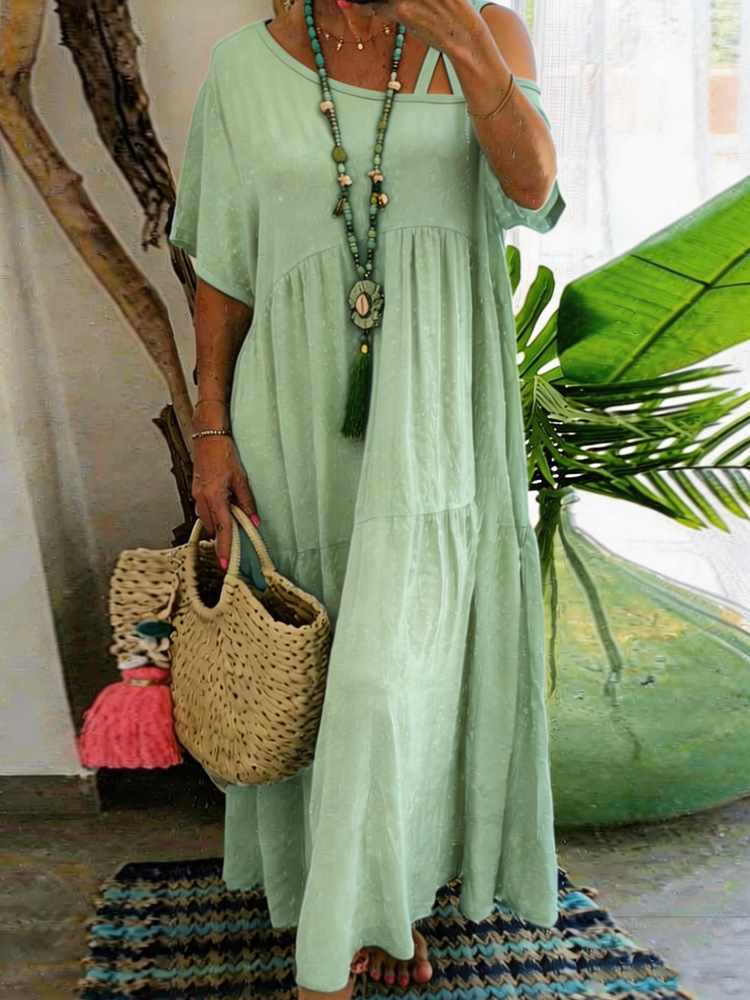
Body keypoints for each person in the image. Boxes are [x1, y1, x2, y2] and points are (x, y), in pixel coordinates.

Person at [169, 0, 564, 996]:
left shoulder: (488, 32)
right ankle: (372, 899)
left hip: (434, 416)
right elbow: (224, 269)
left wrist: (459, 36)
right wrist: (209, 428)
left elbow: (532, 188)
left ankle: (335, 949)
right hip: (290, 413)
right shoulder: (243, 67)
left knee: (393, 677)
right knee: (319, 664)